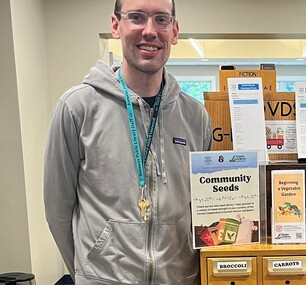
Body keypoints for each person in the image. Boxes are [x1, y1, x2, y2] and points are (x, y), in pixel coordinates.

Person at [44, 0, 212, 284]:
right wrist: (89, 272)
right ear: (115, 25)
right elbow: (58, 209)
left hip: (180, 278)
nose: (149, 31)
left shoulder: (196, 117)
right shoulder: (77, 108)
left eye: (161, 19)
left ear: (174, 31)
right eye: (136, 17)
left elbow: (203, 207)